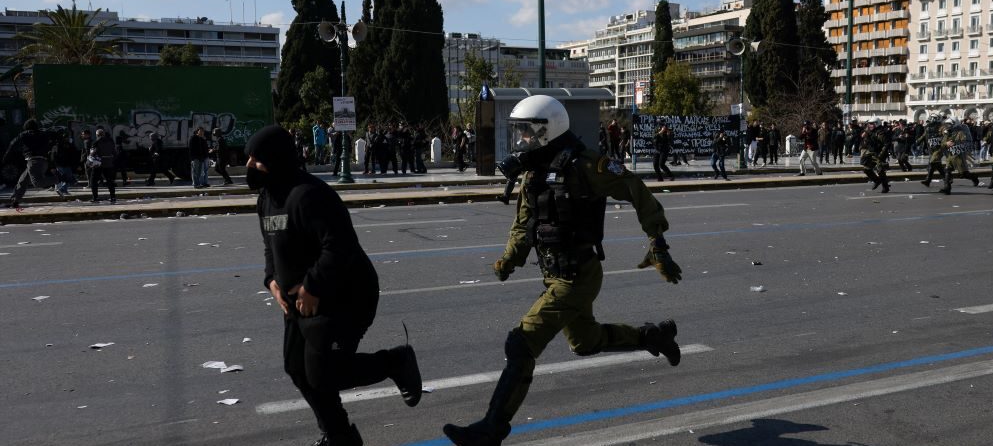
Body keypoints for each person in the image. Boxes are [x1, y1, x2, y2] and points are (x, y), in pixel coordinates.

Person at [442, 95, 682, 446]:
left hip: (577, 276)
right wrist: (509, 259)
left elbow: (634, 188)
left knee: (520, 344)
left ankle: (491, 428)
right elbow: (525, 223)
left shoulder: (585, 166)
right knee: (584, 342)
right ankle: (652, 336)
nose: (522, 140)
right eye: (519, 132)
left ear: (548, 131)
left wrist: (657, 242)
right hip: (557, 274)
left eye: (528, 132)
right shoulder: (535, 173)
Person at [246, 124, 422, 446]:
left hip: (345, 295)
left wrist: (312, 287)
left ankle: (396, 362)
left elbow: (340, 246)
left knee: (323, 373)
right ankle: (339, 436)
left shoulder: (309, 195)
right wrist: (272, 282)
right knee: (297, 368)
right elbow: (271, 250)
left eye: (257, 159)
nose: (249, 166)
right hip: (300, 300)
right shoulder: (267, 200)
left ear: (277, 158)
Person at [5, 119, 54, 209]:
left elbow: (12, 144)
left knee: (37, 183)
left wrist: (6, 157)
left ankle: (59, 178)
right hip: (41, 161)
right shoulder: (44, 134)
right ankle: (15, 201)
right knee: (22, 181)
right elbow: (51, 143)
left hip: (34, 161)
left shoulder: (24, 134)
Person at [859, 118, 890, 193]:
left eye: (872, 123)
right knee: (866, 169)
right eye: (869, 123)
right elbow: (864, 139)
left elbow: (886, 144)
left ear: (877, 124)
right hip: (871, 153)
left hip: (879, 154)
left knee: (880, 171)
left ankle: (885, 187)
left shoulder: (880, 133)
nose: (870, 125)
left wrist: (880, 155)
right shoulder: (870, 131)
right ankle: (877, 181)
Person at [90, 126, 119, 204]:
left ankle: (95, 197)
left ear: (97, 135)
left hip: (98, 165)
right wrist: (110, 160)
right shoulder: (111, 141)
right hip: (109, 164)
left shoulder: (96, 143)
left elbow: (92, 154)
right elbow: (115, 154)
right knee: (110, 181)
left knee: (94, 181)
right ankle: (113, 197)